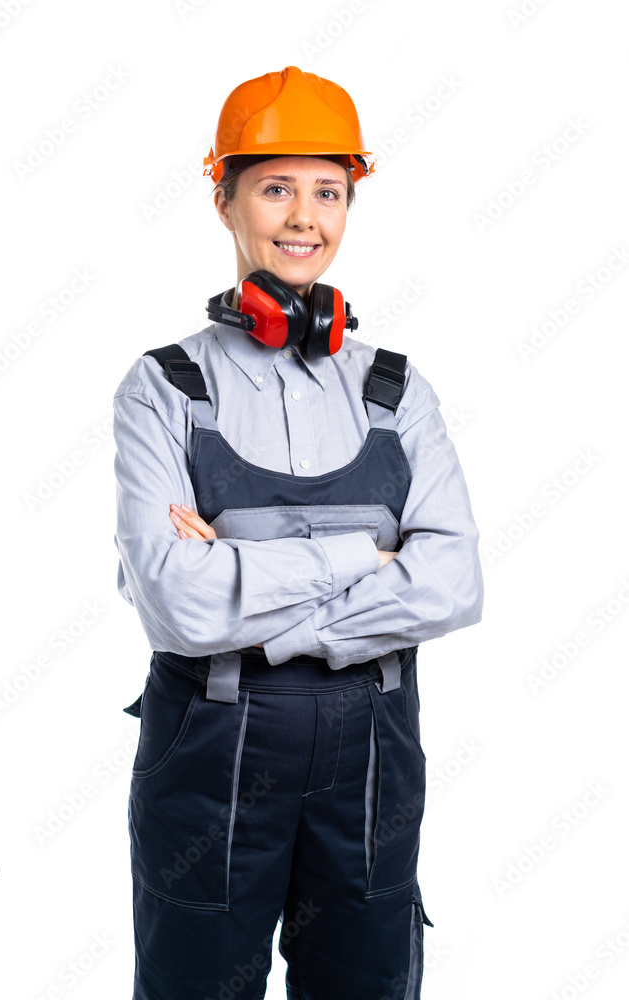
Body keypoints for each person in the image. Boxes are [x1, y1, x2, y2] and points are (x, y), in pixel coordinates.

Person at [113, 65, 483, 1000]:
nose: (303, 218)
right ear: (224, 201)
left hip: (373, 756)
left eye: (328, 192)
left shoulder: (397, 391)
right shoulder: (164, 388)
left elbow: (452, 584)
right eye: (275, 188)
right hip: (210, 750)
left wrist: (240, 575)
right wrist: (368, 556)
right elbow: (179, 606)